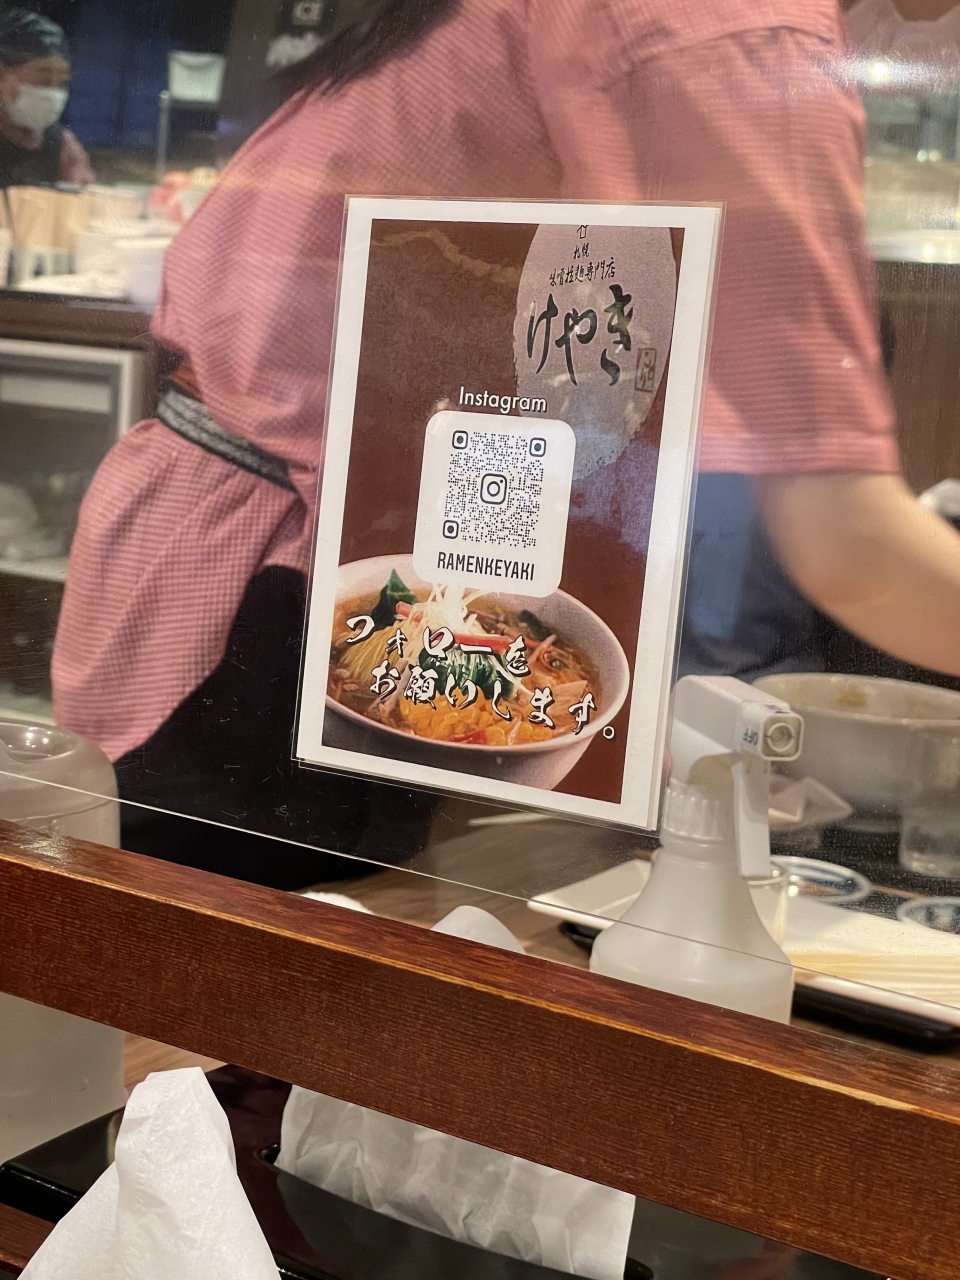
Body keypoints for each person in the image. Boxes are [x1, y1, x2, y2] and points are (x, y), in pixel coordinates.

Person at [52, 0, 960, 888]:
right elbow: (851, 548)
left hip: (258, 538)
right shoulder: (732, 18)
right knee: (222, 962)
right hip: (276, 581)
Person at [0, 9, 92, 188]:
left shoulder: (60, 145)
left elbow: (82, 193)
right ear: (2, 74)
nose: (53, 95)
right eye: (43, 80)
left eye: (62, 83)